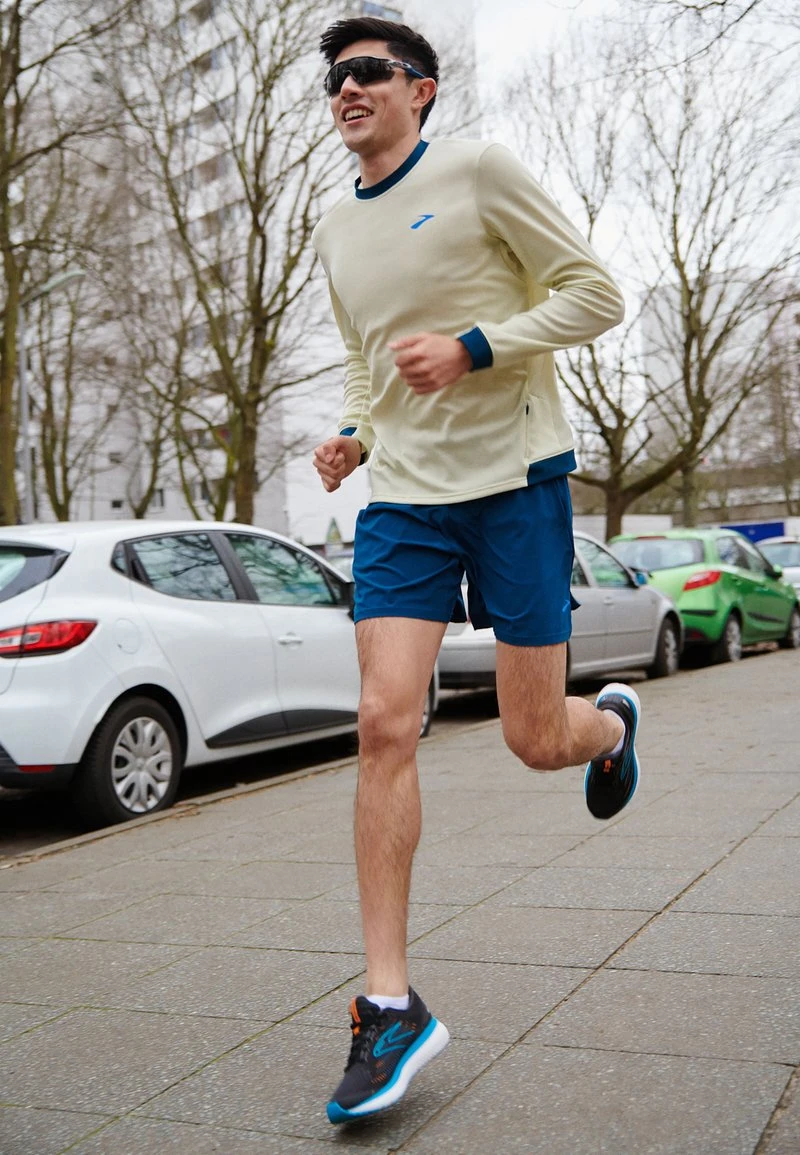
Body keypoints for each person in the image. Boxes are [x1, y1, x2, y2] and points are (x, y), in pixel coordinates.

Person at [311, 16, 638, 1125]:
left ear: (421, 90)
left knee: (533, 737)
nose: (347, 88)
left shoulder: (479, 171)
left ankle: (609, 728)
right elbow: (365, 359)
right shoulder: (333, 227)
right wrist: (353, 431)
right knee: (382, 721)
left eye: (369, 71)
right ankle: (387, 1005)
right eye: (335, 77)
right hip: (404, 500)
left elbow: (595, 294)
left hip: (513, 482)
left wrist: (473, 346)